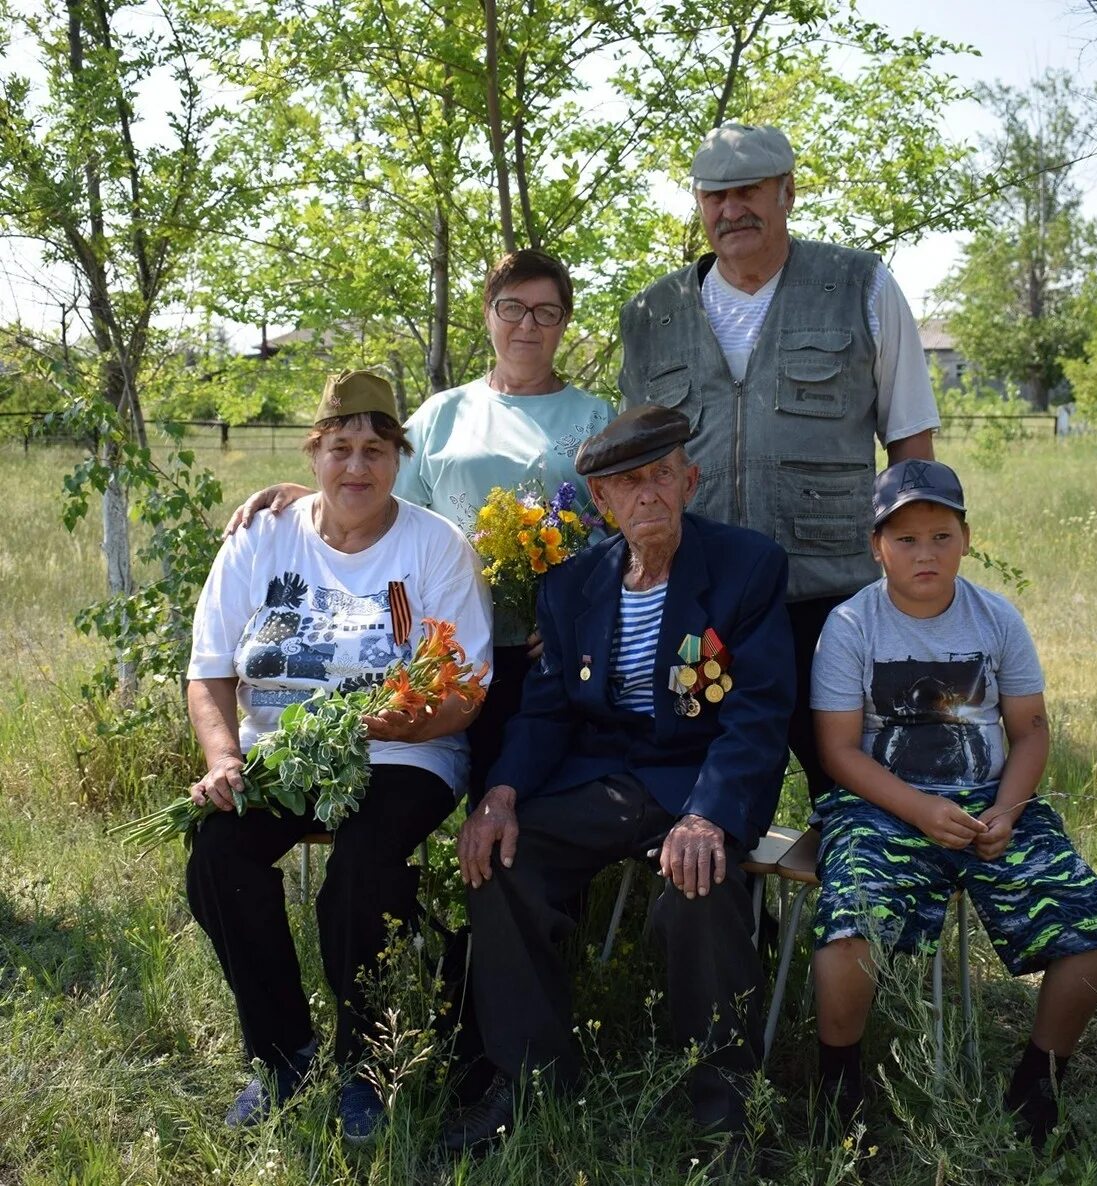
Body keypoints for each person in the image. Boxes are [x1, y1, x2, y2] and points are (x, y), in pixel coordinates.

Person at [442, 405, 795, 1158]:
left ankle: (727, 1109)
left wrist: (708, 815)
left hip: (695, 780)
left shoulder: (747, 567)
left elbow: (757, 716)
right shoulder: (571, 586)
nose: (648, 496)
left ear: (689, 481)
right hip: (600, 778)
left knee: (703, 875)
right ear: (600, 504)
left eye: (661, 476)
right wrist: (500, 795)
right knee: (499, 856)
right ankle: (530, 1081)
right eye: (627, 484)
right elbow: (542, 715)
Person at [186, 370, 492, 1142]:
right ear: (314, 452)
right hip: (283, 753)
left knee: (362, 869)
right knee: (217, 853)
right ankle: (286, 1057)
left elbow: (471, 689)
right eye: (342, 449)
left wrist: (413, 723)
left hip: (403, 759)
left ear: (400, 459)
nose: (358, 467)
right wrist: (224, 758)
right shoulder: (261, 536)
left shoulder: (434, 546)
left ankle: (363, 1071)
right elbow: (210, 667)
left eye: (377, 450)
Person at [808, 459, 1097, 1146]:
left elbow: (1032, 731)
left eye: (940, 536)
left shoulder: (997, 618)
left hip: (992, 801)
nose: (924, 553)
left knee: (1094, 925)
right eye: (905, 540)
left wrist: (1009, 810)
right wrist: (919, 812)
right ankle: (840, 1085)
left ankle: (1039, 1085)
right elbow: (839, 753)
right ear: (876, 547)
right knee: (850, 923)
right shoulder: (851, 625)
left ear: (966, 538)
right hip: (881, 805)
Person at [618, 123, 941, 803]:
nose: (732, 209)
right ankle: (735, 910)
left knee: (855, 784)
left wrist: (914, 575)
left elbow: (910, 444)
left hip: (831, 603)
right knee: (699, 786)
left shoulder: (860, 286)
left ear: (788, 192)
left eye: (749, 191)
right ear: (700, 206)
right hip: (700, 608)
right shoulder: (651, 315)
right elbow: (634, 470)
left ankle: (859, 908)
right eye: (715, 195)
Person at [225, 250, 615, 800]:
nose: (527, 324)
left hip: (552, 647)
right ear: (488, 314)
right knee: (478, 796)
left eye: (545, 312)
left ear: (564, 322)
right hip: (450, 645)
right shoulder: (442, 414)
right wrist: (308, 496)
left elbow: (620, 536)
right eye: (512, 307)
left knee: (545, 805)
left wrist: (578, 613)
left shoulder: (596, 418)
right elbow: (375, 489)